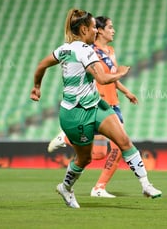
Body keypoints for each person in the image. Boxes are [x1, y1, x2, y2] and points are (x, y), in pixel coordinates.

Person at [30, 8, 162, 208]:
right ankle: (66, 187)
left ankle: (145, 184)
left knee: (124, 141)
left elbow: (41, 65)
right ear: (84, 29)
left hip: (96, 105)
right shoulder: (85, 50)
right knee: (85, 158)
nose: (96, 31)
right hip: (76, 114)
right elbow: (102, 78)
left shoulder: (64, 49)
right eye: (93, 28)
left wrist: (37, 87)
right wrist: (121, 73)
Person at [47, 16, 139, 198]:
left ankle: (67, 139)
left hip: (115, 101)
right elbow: (98, 78)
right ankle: (98, 187)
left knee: (99, 154)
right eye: (109, 27)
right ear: (100, 31)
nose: (113, 31)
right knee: (119, 147)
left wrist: (126, 91)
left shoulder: (110, 50)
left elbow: (111, 76)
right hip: (100, 105)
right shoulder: (90, 51)